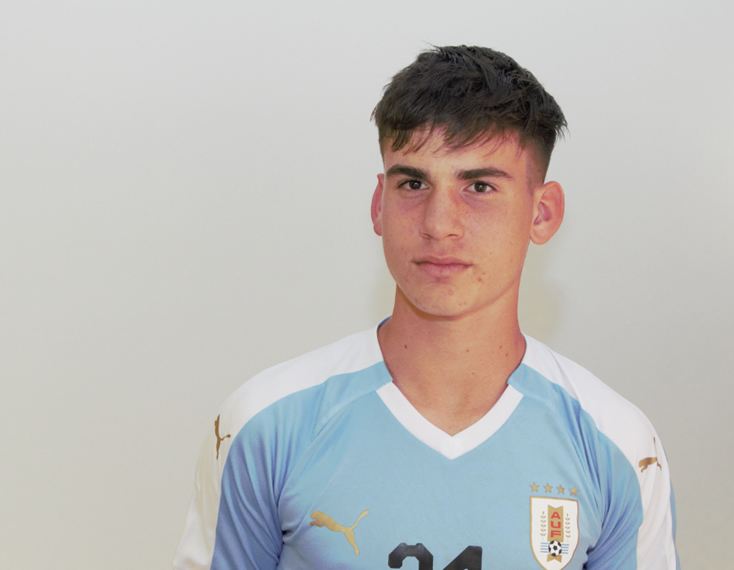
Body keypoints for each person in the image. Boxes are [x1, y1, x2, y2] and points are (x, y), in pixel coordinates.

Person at [173, 45, 679, 570]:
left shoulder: (618, 447)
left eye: (479, 186)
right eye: (413, 184)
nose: (439, 224)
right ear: (379, 204)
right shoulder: (265, 428)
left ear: (542, 213)